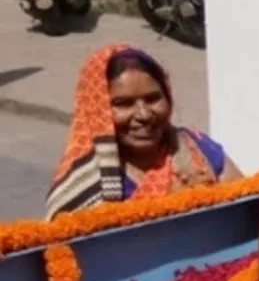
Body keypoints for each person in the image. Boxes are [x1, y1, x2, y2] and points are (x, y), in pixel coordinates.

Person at [46, 44, 241, 218]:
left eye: (152, 99)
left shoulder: (198, 151)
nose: (144, 115)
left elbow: (248, 214)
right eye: (124, 103)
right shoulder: (82, 184)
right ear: (97, 112)